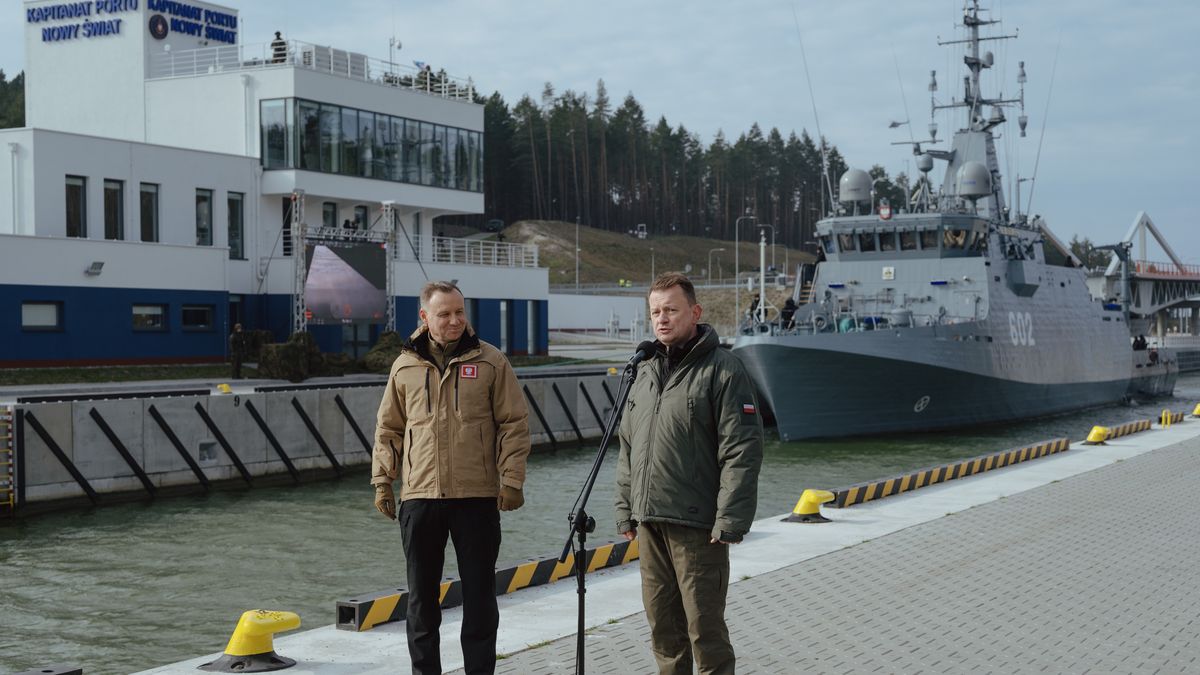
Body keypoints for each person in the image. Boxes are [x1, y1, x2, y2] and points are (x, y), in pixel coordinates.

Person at [372, 281, 531, 675]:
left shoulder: (492, 362)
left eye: (460, 312)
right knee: (421, 604)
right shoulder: (404, 366)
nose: (455, 320)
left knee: (479, 601)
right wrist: (382, 481)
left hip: (476, 499)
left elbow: (514, 424)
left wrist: (511, 480)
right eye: (445, 314)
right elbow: (388, 428)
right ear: (425, 318)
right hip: (420, 499)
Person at [616, 272, 763, 675]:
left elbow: (742, 450)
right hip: (650, 523)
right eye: (655, 312)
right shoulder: (644, 372)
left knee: (705, 632)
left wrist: (730, 518)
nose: (662, 319)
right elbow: (627, 447)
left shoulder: (723, 370)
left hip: (699, 527)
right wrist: (624, 508)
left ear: (695, 312)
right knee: (663, 631)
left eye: (671, 310)